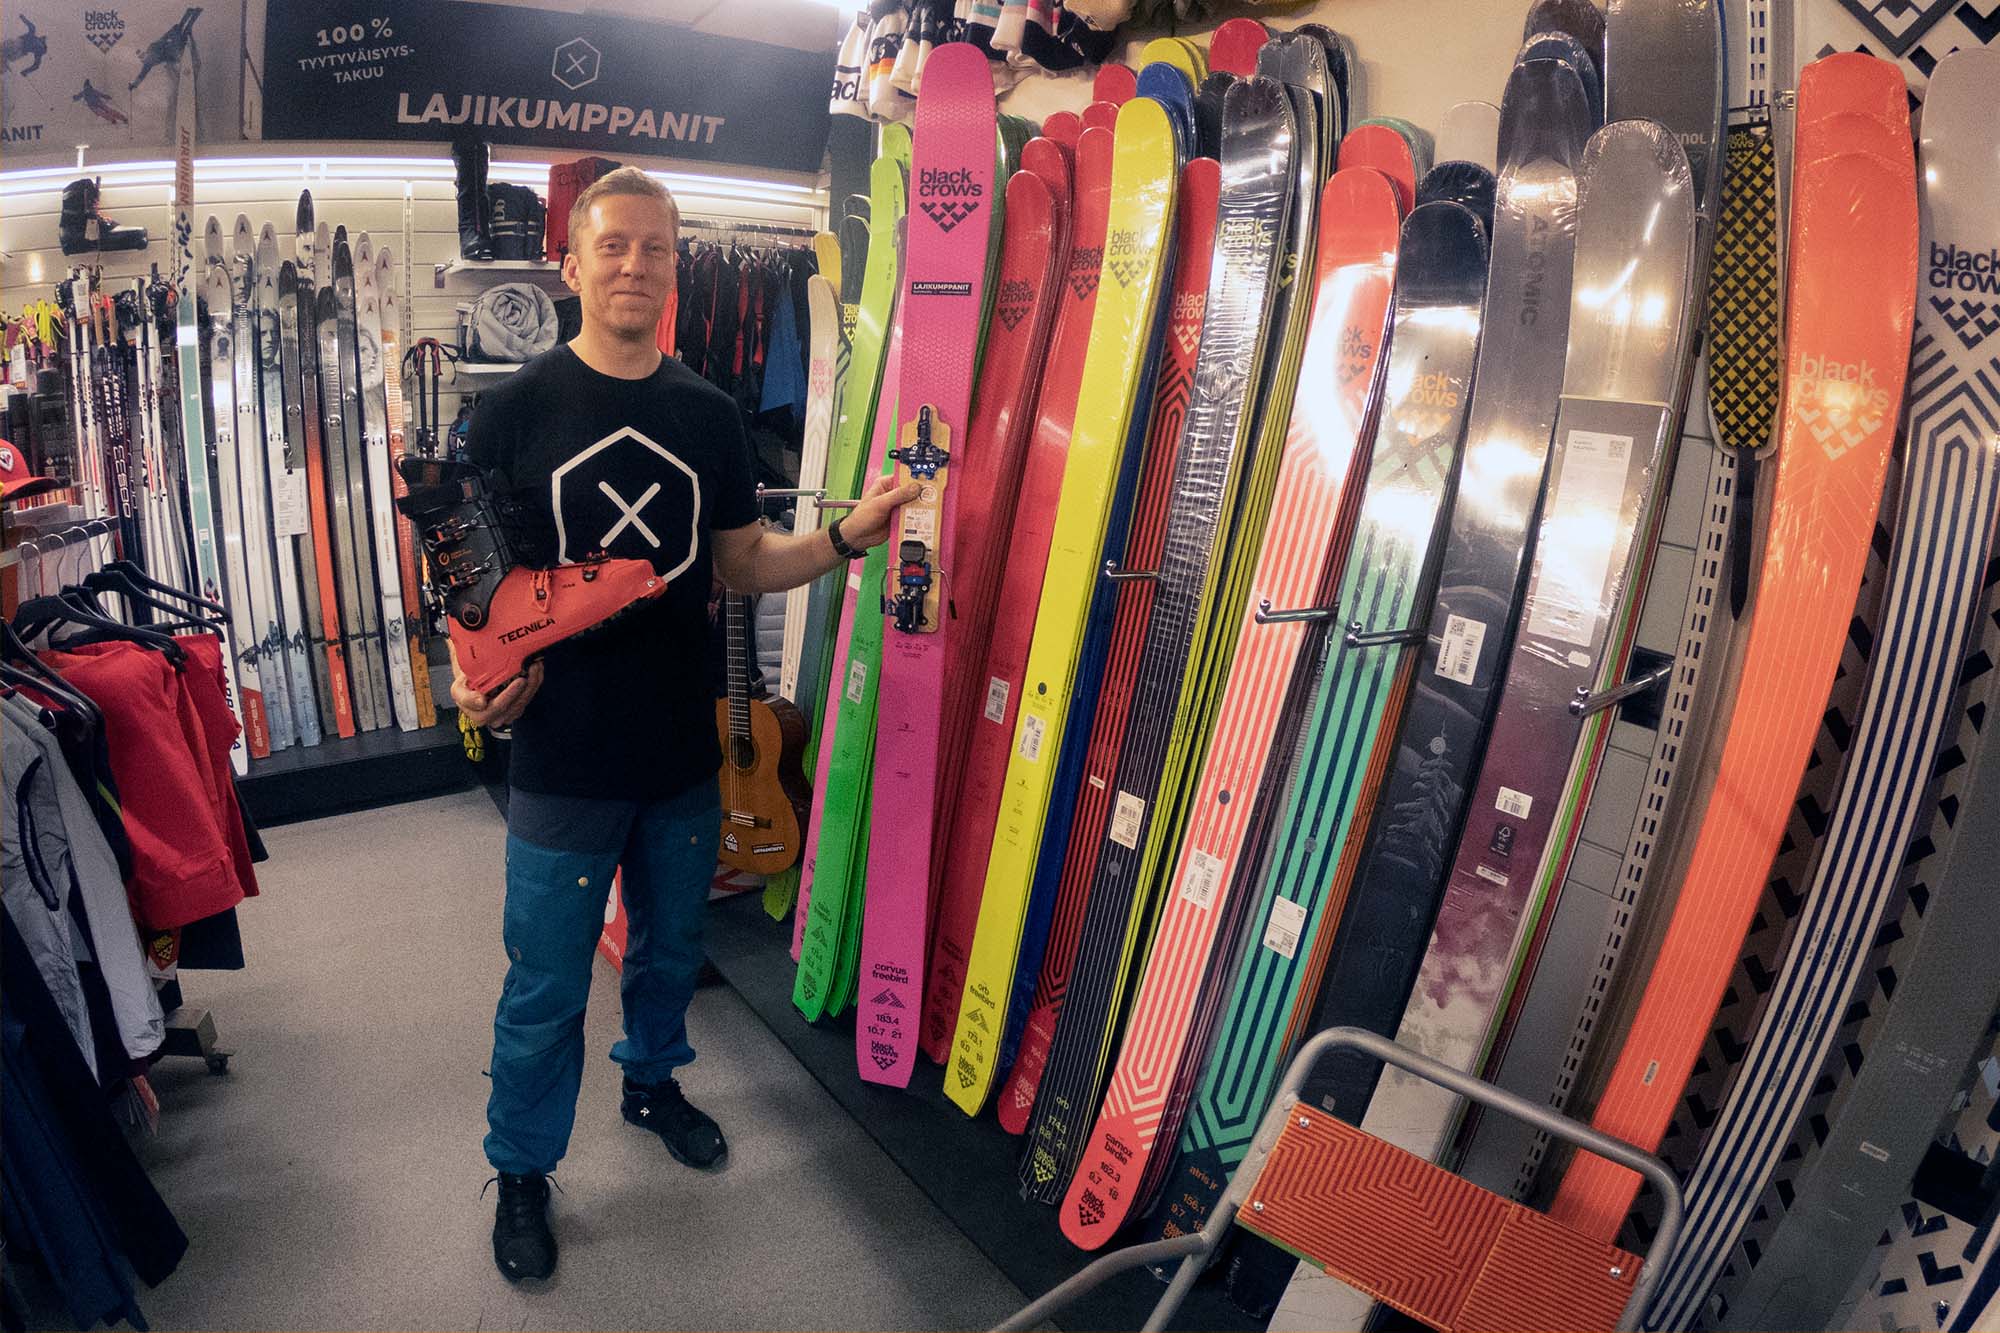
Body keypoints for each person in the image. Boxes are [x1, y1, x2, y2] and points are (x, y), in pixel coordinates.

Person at [457, 166, 914, 1283]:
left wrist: (843, 538)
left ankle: (652, 1082)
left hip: (680, 749)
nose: (634, 265)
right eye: (613, 245)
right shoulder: (510, 412)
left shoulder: (707, 414)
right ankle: (521, 1169)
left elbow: (742, 561)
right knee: (545, 985)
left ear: (674, 265)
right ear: (571, 263)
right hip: (562, 756)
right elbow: (465, 583)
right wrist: (468, 688)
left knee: (669, 954)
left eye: (654, 247)